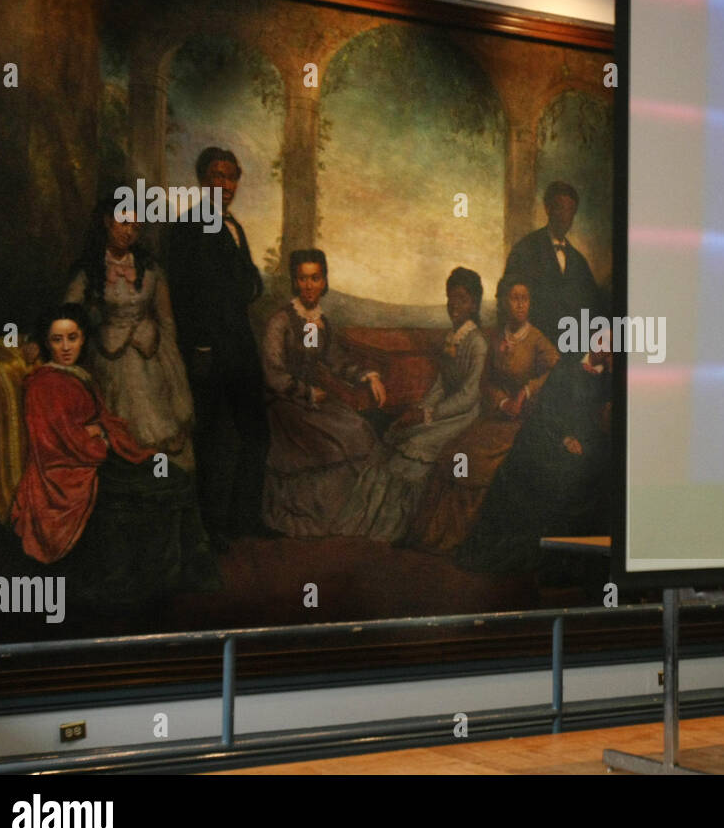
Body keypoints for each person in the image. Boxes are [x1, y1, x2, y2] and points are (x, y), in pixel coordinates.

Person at [9, 304, 218, 614]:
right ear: (46, 342)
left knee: (175, 477)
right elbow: (54, 442)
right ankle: (147, 584)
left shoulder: (76, 374)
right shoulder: (45, 384)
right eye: (57, 340)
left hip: (100, 456)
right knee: (161, 487)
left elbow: (103, 419)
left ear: (83, 339)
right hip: (69, 471)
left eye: (73, 338)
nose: (66, 347)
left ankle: (188, 573)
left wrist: (103, 432)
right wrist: (96, 438)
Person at [167, 146, 272, 547]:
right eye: (216, 176)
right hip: (208, 350)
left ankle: (246, 519)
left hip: (240, 345)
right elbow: (186, 296)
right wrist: (201, 349)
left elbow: (250, 284)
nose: (224, 185)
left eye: (230, 177)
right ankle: (211, 529)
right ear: (202, 180)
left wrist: (243, 288)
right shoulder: (187, 228)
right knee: (211, 439)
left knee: (255, 432)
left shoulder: (235, 227)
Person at [408, 274, 559, 553]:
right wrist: (502, 403)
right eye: (514, 299)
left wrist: (527, 390)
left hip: (522, 423)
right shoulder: (495, 338)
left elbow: (557, 371)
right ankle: (436, 536)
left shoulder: (538, 340)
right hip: (495, 418)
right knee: (455, 453)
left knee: (476, 463)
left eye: (524, 298)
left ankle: (463, 539)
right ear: (503, 302)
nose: (520, 305)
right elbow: (485, 382)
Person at [336, 267, 488, 544]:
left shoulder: (476, 343)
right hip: (442, 410)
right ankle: (364, 523)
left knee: (416, 445)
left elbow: (468, 395)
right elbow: (441, 384)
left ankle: (393, 530)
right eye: (450, 298)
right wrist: (421, 407)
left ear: (475, 304)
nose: (454, 305)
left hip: (463, 415)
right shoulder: (450, 338)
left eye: (462, 299)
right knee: (396, 437)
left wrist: (429, 413)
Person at [456, 340, 612, 578]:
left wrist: (583, 439)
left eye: (612, 347)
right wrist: (564, 438)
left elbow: (601, 420)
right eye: (604, 342)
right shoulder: (565, 368)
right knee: (523, 469)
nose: (607, 350)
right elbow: (547, 409)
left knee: (583, 476)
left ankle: (565, 560)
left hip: (587, 442)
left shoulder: (608, 379)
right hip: (548, 433)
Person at [260, 249, 388, 537]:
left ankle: (345, 517)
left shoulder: (321, 322)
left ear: (324, 281)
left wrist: (368, 376)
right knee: (331, 442)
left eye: (315, 278)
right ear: (295, 282)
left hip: (314, 400)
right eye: (302, 278)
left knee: (358, 428)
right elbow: (273, 375)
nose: (308, 285)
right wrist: (305, 393)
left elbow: (336, 361)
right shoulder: (281, 321)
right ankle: (314, 519)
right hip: (285, 403)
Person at [65, 193, 196, 471]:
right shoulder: (90, 269)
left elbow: (166, 319)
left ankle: (160, 481)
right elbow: (68, 315)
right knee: (121, 425)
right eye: (123, 223)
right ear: (107, 221)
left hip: (151, 352)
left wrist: (172, 363)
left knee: (160, 423)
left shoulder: (150, 268)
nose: (128, 232)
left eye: (135, 227)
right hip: (108, 355)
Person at [502, 181, 603, 357]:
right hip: (534, 353)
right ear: (548, 209)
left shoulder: (579, 261)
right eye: (560, 208)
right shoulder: (525, 249)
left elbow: (593, 307)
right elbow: (507, 298)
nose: (565, 216)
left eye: (570, 210)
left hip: (573, 353)